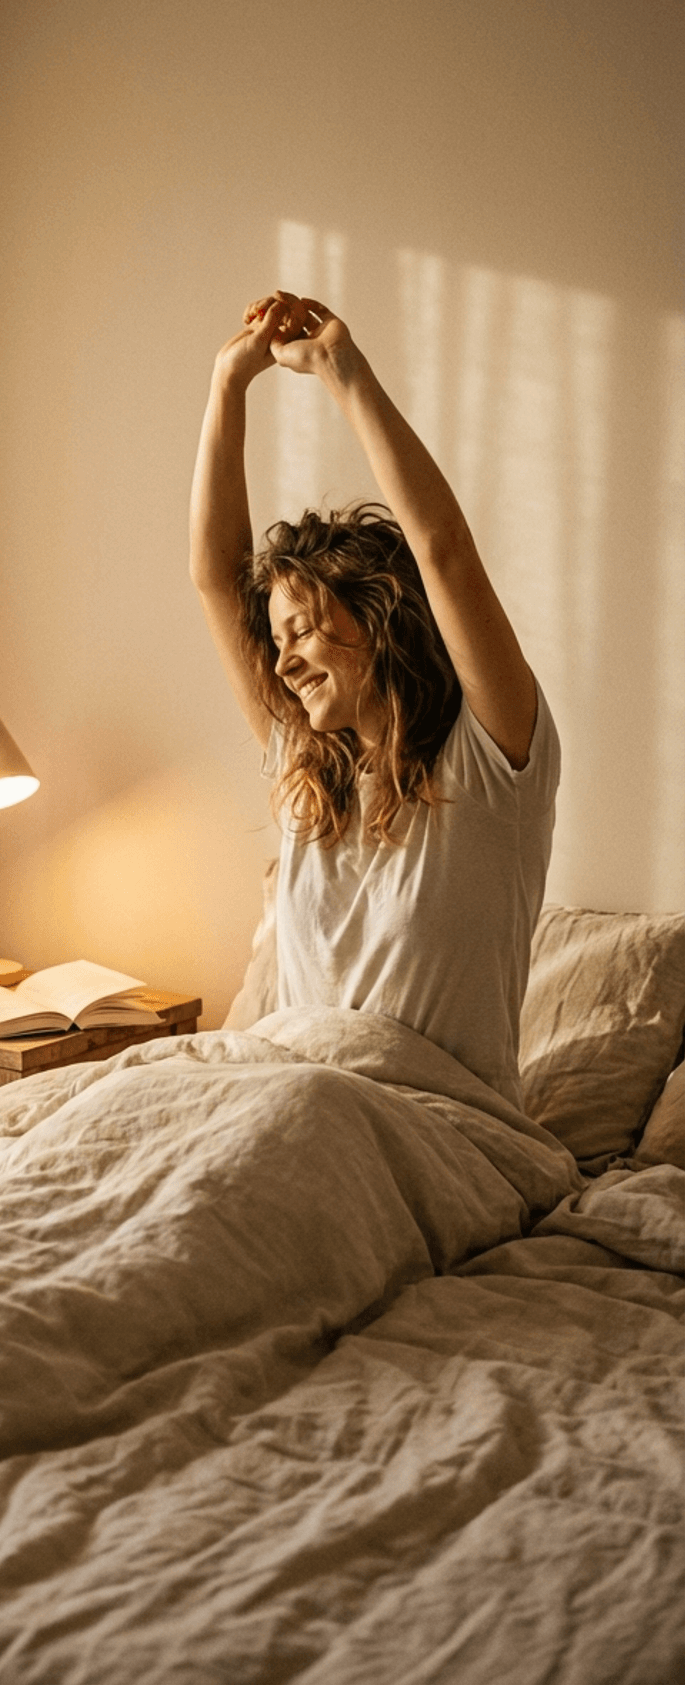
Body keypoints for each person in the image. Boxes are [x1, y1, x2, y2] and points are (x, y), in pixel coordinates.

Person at [189, 290, 560, 1109]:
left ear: (382, 618)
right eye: (276, 638)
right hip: (284, 1099)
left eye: (306, 630)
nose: (281, 662)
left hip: (435, 1133)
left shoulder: (492, 764)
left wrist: (342, 371)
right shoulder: (306, 764)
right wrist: (227, 385)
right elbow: (217, 577)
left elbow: (446, 553)